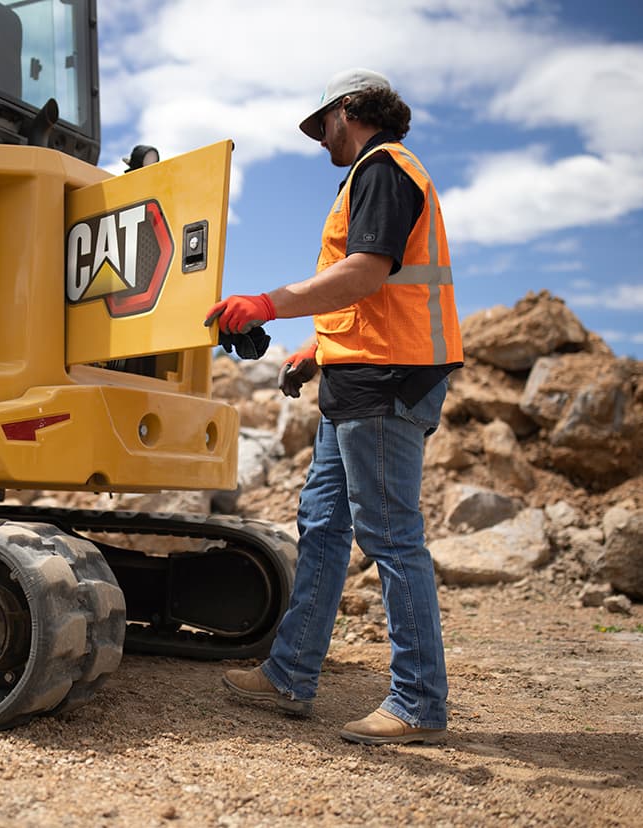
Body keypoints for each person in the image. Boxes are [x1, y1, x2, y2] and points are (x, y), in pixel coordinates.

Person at [204, 68, 463, 745]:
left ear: (349, 110)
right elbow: (374, 296)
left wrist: (268, 304)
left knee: (390, 538)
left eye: (323, 125)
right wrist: (316, 352)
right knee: (322, 524)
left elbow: (366, 272)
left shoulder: (383, 169)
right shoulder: (368, 177)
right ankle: (290, 673)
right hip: (357, 379)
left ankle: (418, 700)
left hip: (385, 384)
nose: (321, 140)